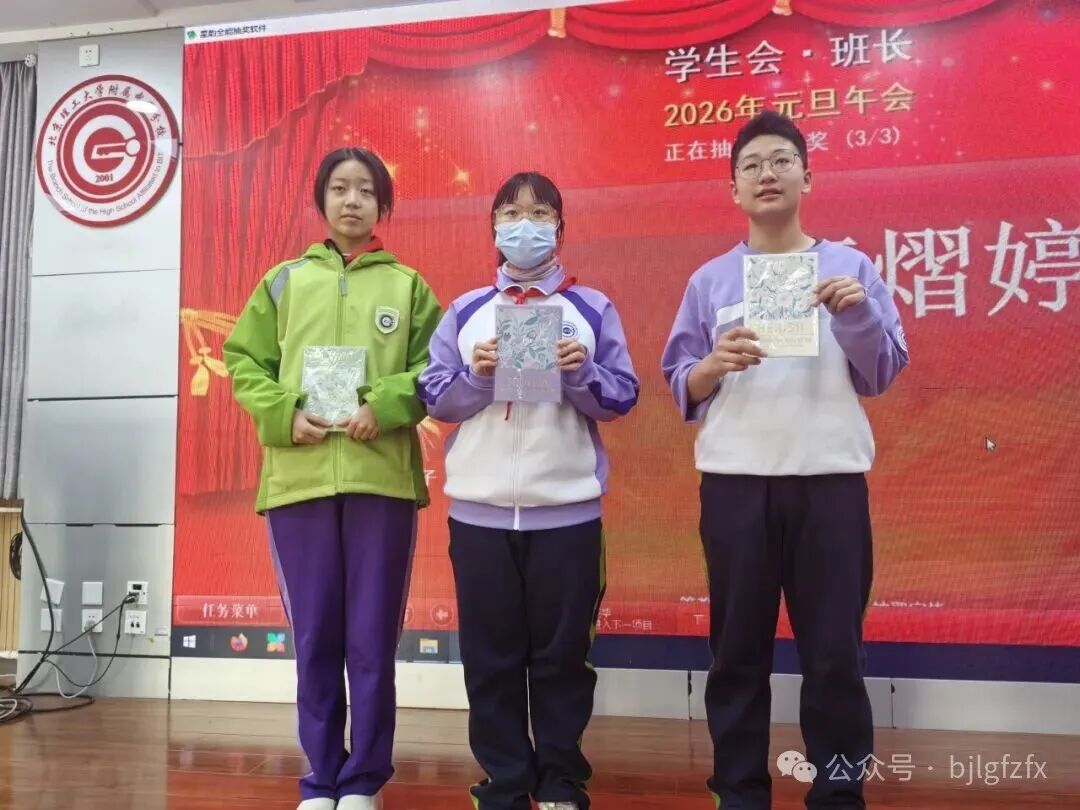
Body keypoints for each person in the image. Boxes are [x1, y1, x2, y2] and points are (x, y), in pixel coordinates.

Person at [661, 111, 909, 810]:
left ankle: (838, 791)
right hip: (735, 486)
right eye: (751, 166)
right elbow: (681, 379)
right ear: (734, 189)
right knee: (736, 653)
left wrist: (856, 315)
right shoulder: (710, 280)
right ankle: (739, 791)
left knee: (835, 654)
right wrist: (712, 365)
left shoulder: (852, 268)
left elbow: (882, 372)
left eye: (780, 161)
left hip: (829, 483)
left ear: (807, 177)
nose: (766, 174)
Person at [224, 147, 442, 810]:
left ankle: (364, 781)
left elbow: (435, 369)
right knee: (315, 637)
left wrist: (387, 403)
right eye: (341, 188)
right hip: (300, 483)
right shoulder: (283, 282)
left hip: (382, 482)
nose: (353, 200)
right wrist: (285, 414)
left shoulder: (408, 286)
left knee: (371, 639)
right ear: (320, 201)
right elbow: (243, 362)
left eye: (366, 190)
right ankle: (321, 778)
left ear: (383, 205)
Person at [418, 171, 639, 810]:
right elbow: (435, 397)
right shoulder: (465, 311)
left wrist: (581, 372)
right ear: (493, 227)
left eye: (540, 213)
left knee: (563, 659)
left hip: (567, 514)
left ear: (559, 229)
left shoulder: (590, 308)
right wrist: (477, 375)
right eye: (511, 213)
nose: (525, 224)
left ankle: (562, 779)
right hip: (480, 516)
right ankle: (506, 782)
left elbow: (621, 397)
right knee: (490, 658)